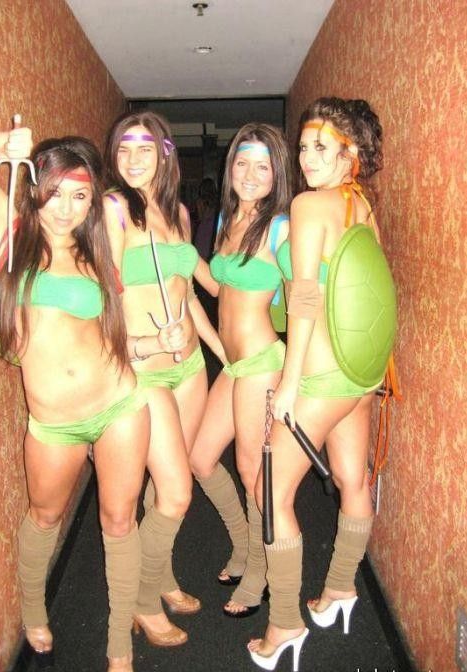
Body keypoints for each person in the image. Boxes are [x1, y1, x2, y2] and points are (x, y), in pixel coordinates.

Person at [0, 125, 184, 672]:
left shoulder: (94, 251)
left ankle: (119, 648)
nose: (66, 208)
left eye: (80, 196)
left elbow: (109, 340)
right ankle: (34, 609)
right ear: (35, 188)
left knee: (119, 522)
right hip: (54, 422)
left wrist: (155, 343)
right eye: (55, 193)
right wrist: (4, 144)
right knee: (45, 515)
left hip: (119, 405)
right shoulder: (9, 231)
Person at [248, 97, 388, 670]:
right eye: (304, 146)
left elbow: (304, 296)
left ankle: (284, 623)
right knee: (354, 479)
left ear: (350, 154)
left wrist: (289, 382)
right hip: (361, 371)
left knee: (270, 492)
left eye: (320, 148)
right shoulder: (362, 206)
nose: (306, 157)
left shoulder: (310, 205)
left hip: (323, 373)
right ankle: (340, 590)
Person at [104, 111, 225, 647]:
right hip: (145, 371)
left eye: (145, 148)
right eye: (123, 148)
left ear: (165, 154)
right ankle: (142, 600)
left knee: (162, 491)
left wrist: (223, 354)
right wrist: (148, 344)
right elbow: (105, 302)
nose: (133, 159)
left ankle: (161, 574)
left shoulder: (176, 211)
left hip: (190, 367)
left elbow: (190, 293)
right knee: (176, 494)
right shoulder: (112, 210)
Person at [191, 123, 292, 617]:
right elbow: (219, 287)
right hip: (233, 364)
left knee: (253, 470)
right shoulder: (228, 219)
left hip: (262, 363)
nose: (250, 174)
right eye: (242, 163)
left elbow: (308, 296)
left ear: (277, 174)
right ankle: (243, 543)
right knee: (201, 458)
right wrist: (183, 255)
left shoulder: (281, 227)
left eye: (262, 166)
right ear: (230, 166)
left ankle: (260, 572)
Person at [192, 176, 218, 260]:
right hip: (213, 227)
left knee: (200, 253)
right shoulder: (217, 201)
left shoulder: (200, 201)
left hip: (204, 227)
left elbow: (200, 217)